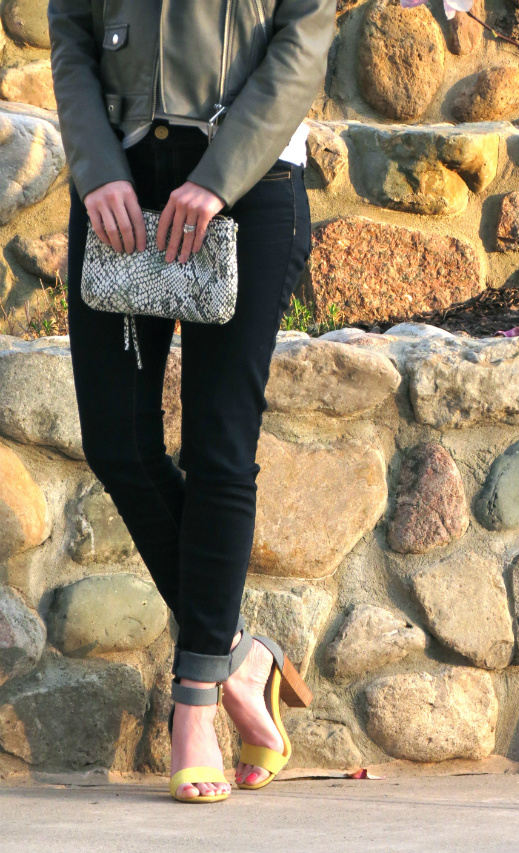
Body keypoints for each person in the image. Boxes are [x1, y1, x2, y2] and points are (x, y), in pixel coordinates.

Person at [47, 0, 336, 803]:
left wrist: (217, 178)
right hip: (116, 177)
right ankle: (243, 655)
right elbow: (69, 28)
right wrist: (95, 160)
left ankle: (196, 705)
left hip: (250, 175)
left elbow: (305, 32)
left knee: (219, 445)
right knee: (117, 441)